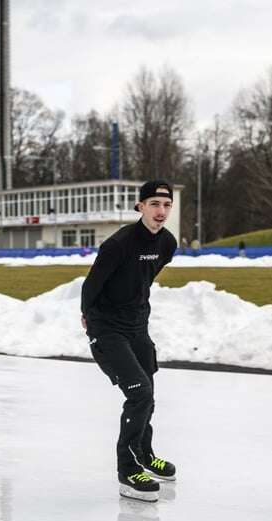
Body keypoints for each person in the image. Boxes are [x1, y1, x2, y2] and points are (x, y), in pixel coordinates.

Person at [80, 179, 178, 502]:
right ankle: (127, 470)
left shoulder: (167, 244)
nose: (161, 211)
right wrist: (89, 319)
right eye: (154, 204)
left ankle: (144, 454)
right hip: (107, 328)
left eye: (166, 205)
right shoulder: (118, 244)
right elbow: (91, 286)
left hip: (137, 326)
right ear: (140, 207)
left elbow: (142, 280)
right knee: (139, 393)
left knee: (148, 393)